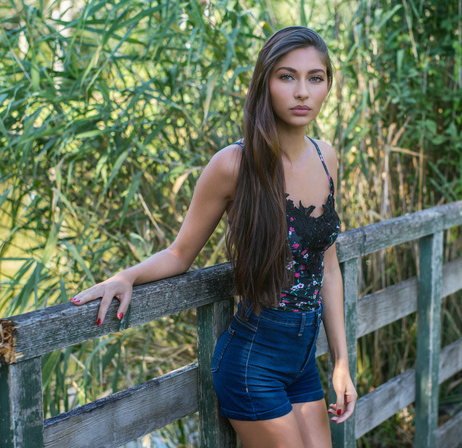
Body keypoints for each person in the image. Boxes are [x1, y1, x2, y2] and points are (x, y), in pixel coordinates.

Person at [70, 26, 357, 448]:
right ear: (265, 84)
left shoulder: (325, 155)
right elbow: (179, 253)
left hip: (301, 362)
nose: (302, 92)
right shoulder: (234, 164)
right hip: (253, 362)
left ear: (328, 84)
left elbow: (328, 269)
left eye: (315, 78)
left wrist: (341, 363)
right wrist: (125, 276)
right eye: (286, 76)